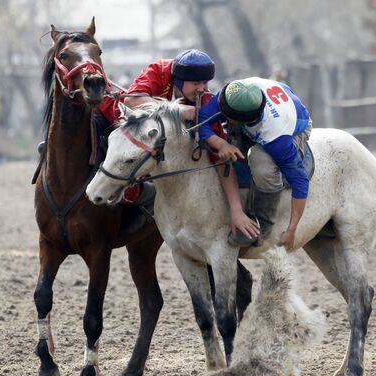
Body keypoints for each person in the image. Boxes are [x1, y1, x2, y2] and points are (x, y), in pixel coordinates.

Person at [98, 49, 259, 239]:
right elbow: (132, 101)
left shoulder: (205, 99)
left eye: (205, 82)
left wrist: (236, 211)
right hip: (118, 121)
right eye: (196, 83)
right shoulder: (159, 70)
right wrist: (178, 111)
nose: (202, 88)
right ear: (179, 81)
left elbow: (220, 161)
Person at [198, 77, 312, 250]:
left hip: (298, 124)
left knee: (261, 161)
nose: (218, 108)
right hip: (276, 95)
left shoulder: (277, 139)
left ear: (239, 120)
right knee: (227, 136)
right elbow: (203, 120)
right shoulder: (233, 94)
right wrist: (221, 144)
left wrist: (292, 229)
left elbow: (300, 181)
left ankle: (263, 225)